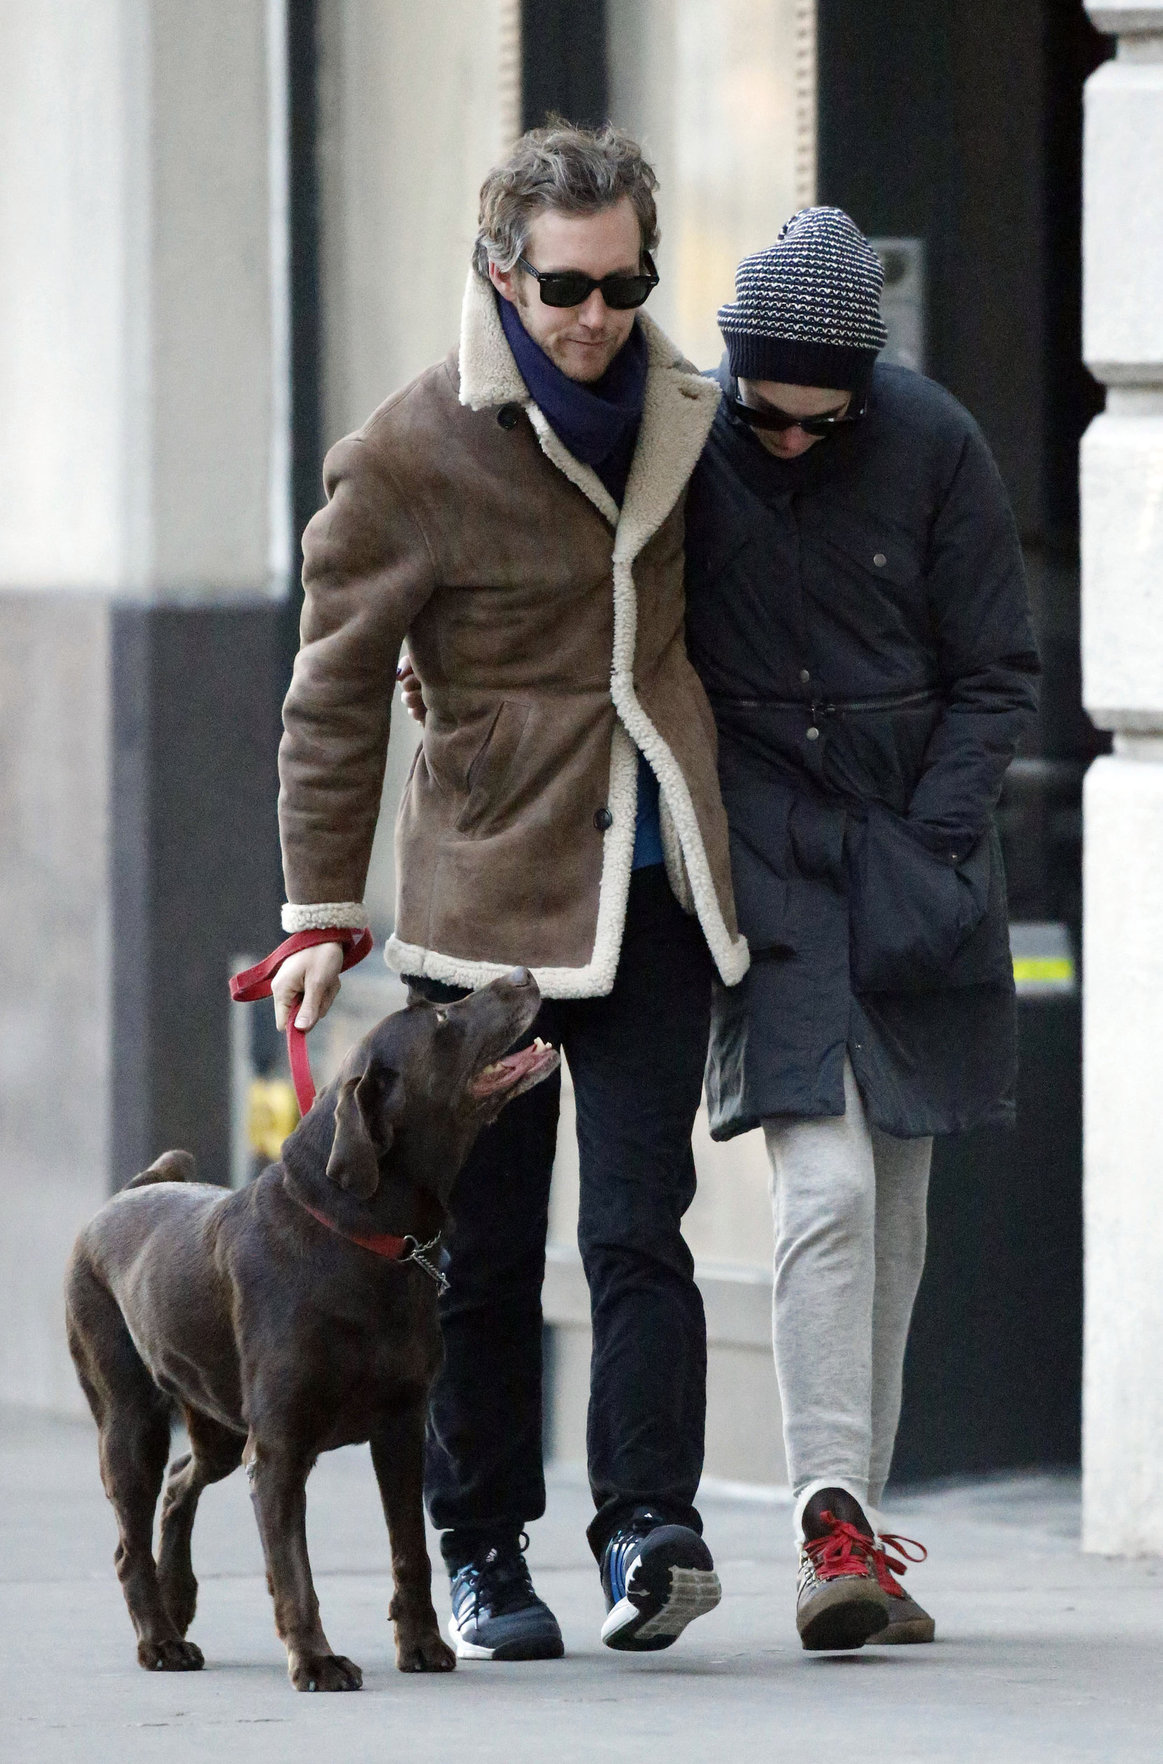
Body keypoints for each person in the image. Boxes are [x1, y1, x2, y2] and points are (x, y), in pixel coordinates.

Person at [270, 122, 749, 1662]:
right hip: (489, 905)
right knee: (479, 1252)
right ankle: (483, 1549)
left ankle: (649, 1531)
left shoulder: (691, 411)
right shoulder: (406, 452)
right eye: (566, 288)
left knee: (639, 1227)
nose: (598, 315)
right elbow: (330, 697)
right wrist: (319, 913)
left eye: (625, 283)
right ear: (500, 271)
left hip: (657, 877)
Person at [683, 207, 1040, 1651]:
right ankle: (828, 1514)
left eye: (811, 426)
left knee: (895, 1209)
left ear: (864, 392)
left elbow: (998, 671)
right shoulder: (697, 445)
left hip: (916, 857)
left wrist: (936, 840)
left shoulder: (939, 444)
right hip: (770, 859)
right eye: (760, 416)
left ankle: (858, 1548)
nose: (779, 444)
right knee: (822, 1187)